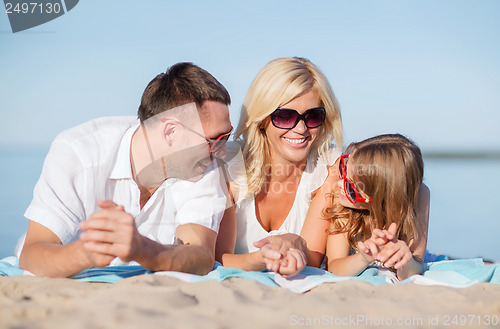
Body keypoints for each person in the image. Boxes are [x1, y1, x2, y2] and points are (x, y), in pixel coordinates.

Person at [18, 62, 234, 278]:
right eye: (215, 140)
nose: (222, 152)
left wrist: (142, 249)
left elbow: (201, 255)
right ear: (170, 132)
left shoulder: (203, 164)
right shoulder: (79, 153)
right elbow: (32, 254)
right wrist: (89, 251)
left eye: (227, 137)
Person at [217, 57, 343, 276]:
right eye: (285, 116)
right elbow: (217, 258)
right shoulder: (226, 165)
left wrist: (296, 243)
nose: (301, 129)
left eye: (313, 116)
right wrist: (260, 258)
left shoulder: (328, 167)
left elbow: (312, 260)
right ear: (262, 119)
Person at [301, 134, 430, 280]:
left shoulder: (420, 194)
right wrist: (364, 257)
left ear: (381, 197)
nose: (338, 185)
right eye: (343, 170)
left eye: (350, 188)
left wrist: (404, 260)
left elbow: (417, 265)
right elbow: (335, 267)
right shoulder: (342, 201)